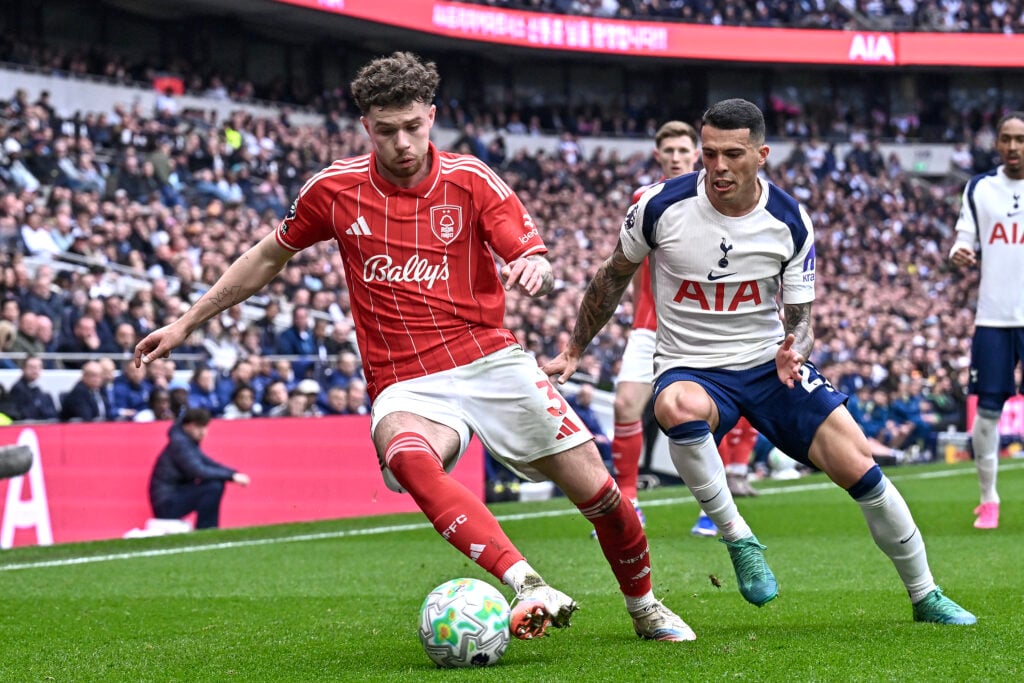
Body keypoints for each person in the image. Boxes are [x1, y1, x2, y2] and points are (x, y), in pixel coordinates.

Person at [135, 51, 694, 642]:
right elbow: (269, 256)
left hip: (491, 359)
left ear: (431, 117)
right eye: (386, 130)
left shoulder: (472, 180)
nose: (402, 142)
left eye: (413, 126)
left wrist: (533, 267)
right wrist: (185, 323)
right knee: (406, 457)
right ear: (365, 128)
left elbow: (535, 258)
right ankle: (526, 582)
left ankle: (645, 606)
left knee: (604, 499)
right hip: (404, 378)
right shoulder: (335, 189)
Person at [544, 98, 976, 626]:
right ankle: (739, 539)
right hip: (691, 364)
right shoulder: (658, 206)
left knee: (859, 465)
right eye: (709, 154)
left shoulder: (789, 220)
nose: (718, 167)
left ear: (761, 154)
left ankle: (926, 594)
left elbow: (801, 317)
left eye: (732, 154)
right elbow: (612, 276)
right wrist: (573, 350)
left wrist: (797, 347)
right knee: (675, 406)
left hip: (767, 366)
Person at [609, 121, 701, 532]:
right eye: (670, 151)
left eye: (684, 150)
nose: (677, 157)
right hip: (650, 325)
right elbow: (632, 269)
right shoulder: (643, 199)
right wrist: (637, 320)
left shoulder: (714, 198)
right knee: (625, 404)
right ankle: (628, 501)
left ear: (696, 154)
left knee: (704, 415)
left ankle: (713, 508)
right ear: (659, 156)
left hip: (702, 328)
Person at [948, 110, 1024, 531]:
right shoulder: (980, 188)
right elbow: (963, 240)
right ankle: (988, 499)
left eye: (1020, 139)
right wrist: (957, 254)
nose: (1013, 147)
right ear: (996, 143)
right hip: (994, 317)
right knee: (989, 410)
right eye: (1006, 139)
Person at [148, 408, 251, 529]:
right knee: (213, 487)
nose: (203, 432)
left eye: (205, 427)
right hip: (166, 503)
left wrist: (233, 473)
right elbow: (198, 470)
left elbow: (208, 463)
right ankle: (206, 529)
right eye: (199, 427)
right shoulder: (180, 444)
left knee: (214, 484)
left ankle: (208, 528)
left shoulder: (185, 441)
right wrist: (231, 476)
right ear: (189, 426)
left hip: (171, 497)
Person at [5, 355, 58, 422]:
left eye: (38, 367)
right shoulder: (18, 389)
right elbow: (24, 414)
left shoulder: (37, 389)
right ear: (23, 368)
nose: (35, 370)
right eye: (31, 367)